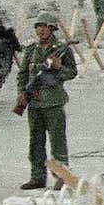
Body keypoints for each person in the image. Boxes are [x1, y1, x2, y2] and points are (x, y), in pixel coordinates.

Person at [17, 11, 77, 190]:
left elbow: (72, 72)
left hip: (53, 103)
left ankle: (61, 178)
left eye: (44, 27)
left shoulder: (61, 49)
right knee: (35, 142)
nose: (41, 30)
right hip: (34, 103)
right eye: (38, 27)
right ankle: (37, 177)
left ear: (52, 29)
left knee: (58, 142)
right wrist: (22, 94)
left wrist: (59, 68)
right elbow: (23, 74)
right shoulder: (31, 49)